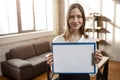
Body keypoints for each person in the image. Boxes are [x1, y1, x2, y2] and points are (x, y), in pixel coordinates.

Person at [46, 3, 102, 80]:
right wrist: (51, 64)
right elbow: (55, 70)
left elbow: (92, 74)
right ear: (67, 19)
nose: (75, 20)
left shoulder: (90, 41)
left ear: (83, 19)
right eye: (71, 17)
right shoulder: (57, 41)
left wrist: (95, 62)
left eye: (79, 16)